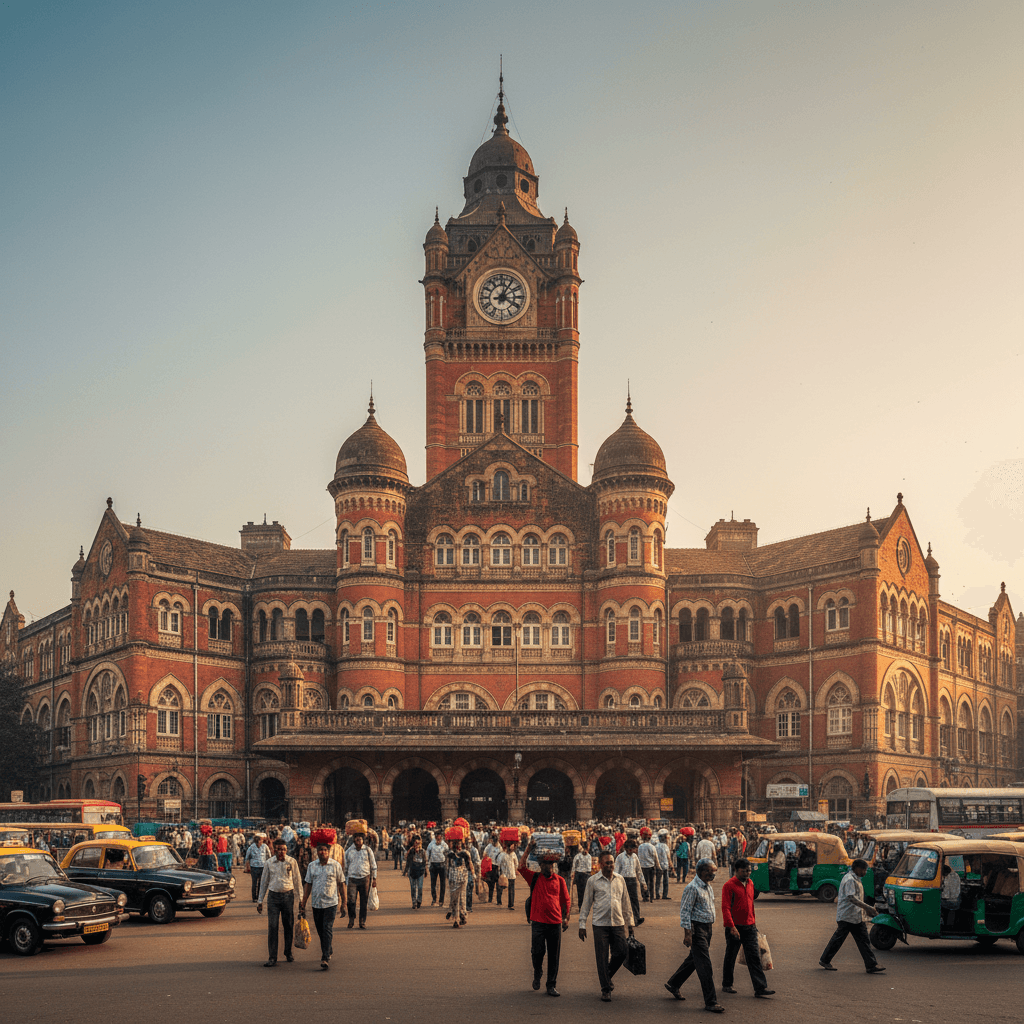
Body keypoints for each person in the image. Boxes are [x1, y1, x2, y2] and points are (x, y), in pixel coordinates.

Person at [665, 858, 725, 1012]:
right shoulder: (692, 888)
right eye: (710, 872)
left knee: (694, 959)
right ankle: (711, 1001)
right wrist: (688, 934)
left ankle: (674, 983)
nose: (712, 875)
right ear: (701, 872)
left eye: (714, 872)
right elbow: (685, 911)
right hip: (697, 929)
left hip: (707, 928)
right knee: (705, 965)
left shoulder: (707, 886)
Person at [579, 849, 635, 1002]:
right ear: (600, 864)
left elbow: (626, 902)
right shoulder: (593, 881)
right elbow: (586, 904)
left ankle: (606, 976)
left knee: (622, 952)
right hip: (600, 924)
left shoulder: (620, 879)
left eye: (612, 863)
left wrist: (630, 923)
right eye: (607, 863)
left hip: (617, 923)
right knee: (602, 957)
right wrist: (582, 924)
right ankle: (605, 988)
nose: (610, 865)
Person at [520, 842, 570, 997]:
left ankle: (551, 985)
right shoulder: (534, 878)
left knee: (554, 956)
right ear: (540, 865)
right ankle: (538, 971)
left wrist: (566, 918)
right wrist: (528, 849)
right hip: (538, 922)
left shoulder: (560, 880)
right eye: (546, 864)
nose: (549, 867)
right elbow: (521, 867)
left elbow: (566, 900)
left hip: (555, 922)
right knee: (537, 952)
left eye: (551, 864)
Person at [818, 859, 885, 973]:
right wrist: (868, 908)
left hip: (855, 916)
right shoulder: (850, 880)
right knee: (840, 940)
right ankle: (825, 960)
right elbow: (852, 898)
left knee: (862, 940)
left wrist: (865, 910)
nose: (865, 872)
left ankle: (871, 965)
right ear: (858, 869)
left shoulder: (855, 879)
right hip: (848, 916)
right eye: (864, 870)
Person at [720, 857, 774, 998]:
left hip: (750, 927)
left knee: (754, 957)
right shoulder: (729, 886)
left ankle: (760, 988)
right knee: (731, 956)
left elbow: (750, 905)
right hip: (735, 928)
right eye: (744, 871)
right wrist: (731, 926)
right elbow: (725, 908)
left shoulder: (750, 883)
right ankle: (727, 984)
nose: (747, 874)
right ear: (736, 870)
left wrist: (753, 922)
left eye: (749, 871)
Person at [300, 831, 347, 970]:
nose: (323, 852)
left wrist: (344, 903)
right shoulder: (312, 866)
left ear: (329, 851)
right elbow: (308, 885)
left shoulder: (335, 865)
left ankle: (325, 957)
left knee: (327, 928)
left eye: (325, 850)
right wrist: (303, 903)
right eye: (320, 850)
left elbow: (341, 884)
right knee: (321, 930)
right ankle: (328, 948)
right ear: (317, 851)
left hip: (331, 903)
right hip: (316, 903)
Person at [256, 838, 303, 967]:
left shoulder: (291, 862)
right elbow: (264, 882)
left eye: (284, 849)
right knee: (273, 926)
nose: (281, 852)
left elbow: (297, 881)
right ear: (274, 850)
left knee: (288, 925)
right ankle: (272, 957)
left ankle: (288, 952)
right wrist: (260, 901)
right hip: (273, 897)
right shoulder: (269, 863)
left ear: (286, 850)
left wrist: (301, 899)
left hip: (288, 896)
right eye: (279, 849)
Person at [343, 831, 377, 929]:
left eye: (360, 839)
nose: (358, 840)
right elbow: (345, 867)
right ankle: (351, 919)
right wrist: (345, 879)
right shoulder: (349, 851)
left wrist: (374, 878)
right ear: (353, 840)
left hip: (365, 878)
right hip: (352, 879)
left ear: (363, 840)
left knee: (363, 902)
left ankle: (362, 921)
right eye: (357, 839)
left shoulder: (368, 850)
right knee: (351, 901)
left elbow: (373, 865)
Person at [614, 838, 647, 925]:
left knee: (634, 900)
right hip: (623, 881)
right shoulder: (620, 857)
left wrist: (643, 883)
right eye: (634, 848)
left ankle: (636, 918)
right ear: (628, 849)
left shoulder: (635, 857)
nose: (635, 850)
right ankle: (622, 919)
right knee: (623, 901)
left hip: (632, 881)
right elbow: (616, 872)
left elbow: (639, 871)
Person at [445, 837, 471, 927]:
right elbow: (447, 867)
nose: (458, 846)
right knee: (455, 899)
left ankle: (462, 915)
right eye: (456, 844)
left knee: (461, 898)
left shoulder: (465, 853)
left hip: (462, 879)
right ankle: (456, 919)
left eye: (459, 844)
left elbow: (469, 865)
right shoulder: (450, 854)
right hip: (454, 879)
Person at [244, 832, 269, 902]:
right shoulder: (251, 847)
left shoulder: (265, 846)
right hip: (254, 867)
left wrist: (268, 865)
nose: (261, 842)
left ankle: (259, 897)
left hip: (262, 867)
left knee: (261, 883)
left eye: (261, 841)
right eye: (260, 841)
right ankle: (254, 897)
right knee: (254, 883)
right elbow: (247, 857)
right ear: (256, 841)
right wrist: (247, 866)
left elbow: (269, 855)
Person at [403, 834, 427, 908]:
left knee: (420, 887)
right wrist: (405, 871)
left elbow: (425, 862)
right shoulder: (411, 851)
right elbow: (408, 861)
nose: (417, 845)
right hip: (412, 871)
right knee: (413, 887)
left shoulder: (423, 852)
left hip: (420, 871)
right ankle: (414, 902)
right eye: (415, 844)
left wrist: (425, 871)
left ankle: (419, 900)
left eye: (418, 844)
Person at [426, 831, 449, 906]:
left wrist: (447, 864)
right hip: (433, 865)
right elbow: (427, 854)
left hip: (442, 865)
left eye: (440, 837)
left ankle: (441, 900)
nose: (438, 838)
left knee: (443, 884)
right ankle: (434, 899)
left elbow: (447, 854)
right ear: (435, 837)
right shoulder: (431, 844)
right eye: (437, 837)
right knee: (433, 884)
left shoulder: (444, 845)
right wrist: (427, 865)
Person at [498, 842, 519, 911]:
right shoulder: (502, 855)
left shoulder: (513, 854)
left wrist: (516, 870)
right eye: (511, 847)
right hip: (504, 875)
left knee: (511, 890)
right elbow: (498, 864)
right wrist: (499, 873)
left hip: (512, 875)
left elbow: (516, 863)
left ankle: (511, 904)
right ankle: (499, 900)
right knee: (501, 888)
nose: (512, 848)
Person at [637, 834, 658, 901]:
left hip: (642, 866)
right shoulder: (651, 846)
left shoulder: (640, 847)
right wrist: (658, 866)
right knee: (651, 882)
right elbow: (655, 857)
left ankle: (645, 896)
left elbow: (638, 856)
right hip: (650, 866)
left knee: (643, 882)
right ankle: (651, 896)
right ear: (649, 838)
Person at [572, 845, 593, 909]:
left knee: (586, 891)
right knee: (580, 891)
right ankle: (580, 906)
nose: (585, 850)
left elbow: (590, 867)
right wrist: (573, 875)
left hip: (587, 875)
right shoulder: (577, 856)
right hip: (579, 874)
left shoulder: (589, 856)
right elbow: (573, 867)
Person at [656, 835, 672, 899]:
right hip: (665, 865)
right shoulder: (665, 846)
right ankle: (664, 895)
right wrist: (671, 864)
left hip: (658, 865)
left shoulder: (656, 846)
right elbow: (668, 857)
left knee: (658, 880)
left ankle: (657, 894)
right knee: (665, 881)